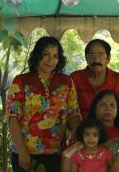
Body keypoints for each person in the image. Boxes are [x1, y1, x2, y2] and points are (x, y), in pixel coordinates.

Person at [5, 36, 81, 172]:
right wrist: (22, 152)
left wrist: (77, 128)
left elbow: (73, 113)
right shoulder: (21, 81)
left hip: (57, 154)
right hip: (26, 155)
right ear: (37, 55)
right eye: (46, 54)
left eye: (55, 55)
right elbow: (12, 118)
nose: (50, 59)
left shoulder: (66, 82)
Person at [61, 90, 119, 172]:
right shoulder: (85, 136)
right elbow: (67, 158)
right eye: (103, 104)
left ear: (117, 111)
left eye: (112, 105)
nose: (108, 108)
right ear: (94, 109)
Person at [71, 39, 119, 120]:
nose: (96, 60)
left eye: (101, 55)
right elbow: (69, 111)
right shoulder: (75, 79)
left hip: (113, 131)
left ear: (108, 58)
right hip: (83, 131)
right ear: (86, 58)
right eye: (91, 55)